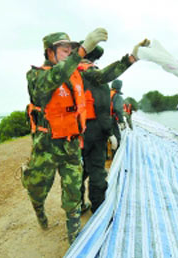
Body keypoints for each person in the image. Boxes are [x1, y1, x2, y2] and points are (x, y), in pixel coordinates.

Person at [22, 28, 107, 244]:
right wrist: (82, 51)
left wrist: (131, 59)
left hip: (70, 144)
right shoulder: (37, 75)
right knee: (37, 189)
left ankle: (75, 238)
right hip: (46, 145)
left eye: (71, 49)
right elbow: (54, 77)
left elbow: (105, 76)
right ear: (50, 53)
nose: (69, 53)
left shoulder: (76, 72)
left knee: (73, 192)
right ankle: (40, 211)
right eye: (64, 49)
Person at [77, 38, 149, 214]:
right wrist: (110, 132)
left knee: (78, 172)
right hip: (93, 131)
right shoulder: (92, 75)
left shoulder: (69, 74)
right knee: (97, 174)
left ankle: (78, 206)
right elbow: (102, 109)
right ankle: (98, 211)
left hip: (72, 132)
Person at [110, 79, 133, 152]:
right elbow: (118, 110)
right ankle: (115, 155)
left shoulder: (106, 93)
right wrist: (121, 122)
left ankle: (106, 156)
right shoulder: (117, 97)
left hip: (99, 119)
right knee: (117, 137)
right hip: (110, 120)